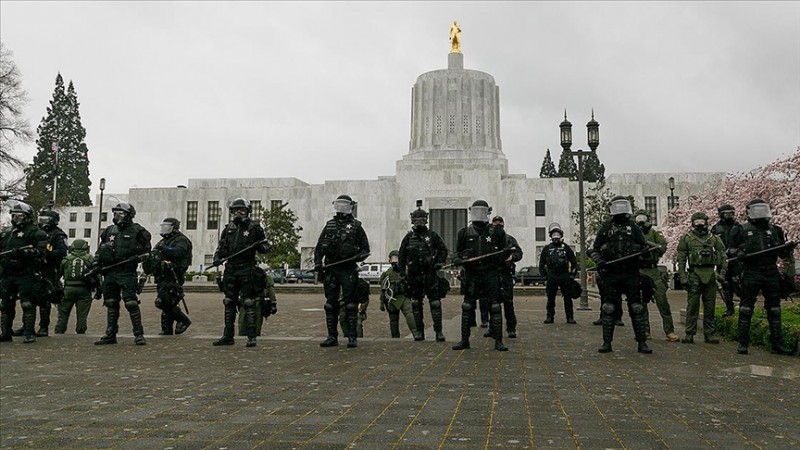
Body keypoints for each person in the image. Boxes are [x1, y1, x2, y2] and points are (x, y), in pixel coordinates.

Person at [728, 199, 796, 355]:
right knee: (746, 308)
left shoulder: (775, 230)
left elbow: (781, 253)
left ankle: (776, 344)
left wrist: (788, 249)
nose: (760, 214)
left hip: (771, 271)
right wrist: (739, 253)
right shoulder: (740, 230)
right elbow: (730, 250)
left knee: (774, 309)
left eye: (763, 210)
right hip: (751, 271)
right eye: (757, 210)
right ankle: (743, 343)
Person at [589, 196, 652, 354]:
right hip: (611, 273)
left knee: (637, 308)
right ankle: (606, 342)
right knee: (609, 308)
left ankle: (642, 342)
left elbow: (644, 248)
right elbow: (593, 249)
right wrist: (600, 260)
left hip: (631, 273)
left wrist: (643, 252)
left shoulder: (634, 227)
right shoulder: (606, 228)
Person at [211, 198, 270, 348]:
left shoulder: (254, 228)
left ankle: (251, 336)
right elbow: (221, 247)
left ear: (248, 211)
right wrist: (217, 258)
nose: (238, 213)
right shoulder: (228, 228)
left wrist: (260, 245)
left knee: (248, 302)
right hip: (231, 269)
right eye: (235, 210)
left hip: (247, 268)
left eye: (241, 210)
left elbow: (265, 247)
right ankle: (228, 336)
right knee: (229, 301)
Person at [452, 199, 510, 352]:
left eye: (482, 211)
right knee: (467, 306)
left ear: (488, 212)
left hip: (490, 274)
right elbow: (456, 253)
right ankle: (464, 340)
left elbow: (504, 253)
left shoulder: (497, 232)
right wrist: (459, 259)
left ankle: (498, 341)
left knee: (495, 307)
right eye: (476, 211)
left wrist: (503, 256)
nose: (479, 214)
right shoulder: (464, 233)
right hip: (472, 275)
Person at [314, 195, 371, 348]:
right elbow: (319, 248)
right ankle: (332, 336)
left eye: (344, 205)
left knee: (351, 304)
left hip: (348, 269)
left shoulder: (357, 227)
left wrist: (359, 256)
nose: (341, 209)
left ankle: (352, 337)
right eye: (339, 205)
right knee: (330, 305)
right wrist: (318, 264)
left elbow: (366, 249)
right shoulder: (329, 225)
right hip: (331, 269)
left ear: (350, 207)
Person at [93, 202, 152, 346]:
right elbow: (100, 250)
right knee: (111, 303)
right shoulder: (109, 231)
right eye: (115, 213)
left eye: (120, 213)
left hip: (127, 272)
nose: (116, 216)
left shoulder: (139, 231)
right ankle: (110, 334)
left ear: (129, 215)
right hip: (110, 272)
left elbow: (147, 253)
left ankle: (138, 334)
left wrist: (140, 258)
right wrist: (95, 263)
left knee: (131, 303)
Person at [12, 207, 68, 337]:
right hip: (33, 268)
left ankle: (43, 327)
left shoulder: (58, 235)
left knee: (44, 299)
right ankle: (27, 325)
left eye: (46, 220)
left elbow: (62, 251)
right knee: (28, 298)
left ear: (53, 221)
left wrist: (46, 254)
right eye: (41, 220)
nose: (43, 223)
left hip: (48, 268)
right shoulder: (35, 232)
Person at [398, 202, 449, 341]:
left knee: (435, 303)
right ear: (412, 221)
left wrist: (439, 262)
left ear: (426, 220)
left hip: (430, 274)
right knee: (415, 303)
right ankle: (419, 331)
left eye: (421, 220)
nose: (418, 223)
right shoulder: (408, 238)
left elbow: (443, 250)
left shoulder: (432, 236)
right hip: (414, 276)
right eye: (416, 220)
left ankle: (438, 332)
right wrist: (402, 274)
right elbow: (401, 257)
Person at [0, 201, 49, 343]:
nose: (16, 219)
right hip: (8, 273)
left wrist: (26, 253)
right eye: (14, 216)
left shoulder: (36, 232)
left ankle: (29, 332)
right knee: (5, 304)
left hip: (26, 272)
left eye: (19, 216)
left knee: (27, 303)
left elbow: (41, 252)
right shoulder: (7, 233)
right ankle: (5, 333)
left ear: (27, 216)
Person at [676, 211, 727, 344]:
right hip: (694, 274)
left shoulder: (714, 238)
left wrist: (722, 273)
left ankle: (709, 333)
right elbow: (681, 259)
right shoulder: (686, 238)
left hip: (710, 274)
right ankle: (689, 333)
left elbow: (723, 257)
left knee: (710, 306)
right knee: (692, 306)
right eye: (696, 222)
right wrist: (682, 276)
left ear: (706, 222)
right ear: (692, 224)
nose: (699, 225)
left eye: (701, 222)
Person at [634, 210, 678, 342]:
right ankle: (645, 331)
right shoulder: (633, 234)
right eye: (638, 219)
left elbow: (662, 248)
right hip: (639, 271)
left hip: (653, 271)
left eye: (643, 219)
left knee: (662, 301)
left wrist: (649, 245)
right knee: (641, 303)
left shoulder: (654, 233)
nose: (641, 222)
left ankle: (669, 331)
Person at [143, 218, 192, 336]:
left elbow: (178, 252)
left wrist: (164, 249)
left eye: (167, 227)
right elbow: (154, 254)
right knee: (168, 303)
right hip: (162, 275)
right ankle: (166, 329)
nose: (164, 229)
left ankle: (183, 320)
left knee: (163, 302)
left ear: (175, 228)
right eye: (163, 226)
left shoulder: (181, 240)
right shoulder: (162, 241)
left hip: (174, 275)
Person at [55, 238, 97, 334]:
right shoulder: (90, 258)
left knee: (63, 314)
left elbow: (58, 275)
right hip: (84, 290)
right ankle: (81, 331)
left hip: (68, 289)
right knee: (82, 315)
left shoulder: (66, 259)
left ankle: (59, 331)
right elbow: (96, 275)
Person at [539, 223, 578, 325]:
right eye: (554, 235)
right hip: (551, 275)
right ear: (550, 236)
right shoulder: (547, 249)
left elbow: (574, 262)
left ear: (561, 235)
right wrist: (544, 276)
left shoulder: (566, 248)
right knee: (550, 298)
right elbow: (542, 263)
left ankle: (570, 317)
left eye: (558, 235)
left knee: (568, 297)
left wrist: (572, 275)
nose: (556, 237)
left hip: (564, 275)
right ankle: (549, 316)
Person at [490, 216, 523, 337]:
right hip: (492, 274)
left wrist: (512, 257)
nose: (498, 224)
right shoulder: (488, 239)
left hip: (505, 273)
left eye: (500, 222)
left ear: (503, 224)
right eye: (495, 222)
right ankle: (492, 327)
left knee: (508, 302)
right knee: (492, 302)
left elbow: (519, 253)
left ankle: (511, 328)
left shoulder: (509, 239)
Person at [711, 204, 744, 317]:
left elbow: (744, 242)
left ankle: (744, 306)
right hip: (722, 261)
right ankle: (729, 308)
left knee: (737, 282)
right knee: (725, 284)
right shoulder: (715, 228)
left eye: (731, 213)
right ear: (721, 215)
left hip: (735, 260)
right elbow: (710, 244)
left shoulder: (739, 227)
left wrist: (738, 250)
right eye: (726, 213)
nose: (729, 215)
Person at [380, 250, 417, 338]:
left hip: (400, 297)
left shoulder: (402, 272)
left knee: (406, 316)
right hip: (394, 298)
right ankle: (413, 334)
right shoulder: (387, 274)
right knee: (398, 318)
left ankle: (414, 334)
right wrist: (382, 303)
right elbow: (383, 289)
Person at [238, 267, 278, 337]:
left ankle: (248, 336)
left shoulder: (242, 273)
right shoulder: (262, 273)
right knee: (255, 324)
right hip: (255, 302)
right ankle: (252, 336)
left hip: (249, 301)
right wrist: (273, 303)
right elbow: (270, 289)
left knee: (244, 324)